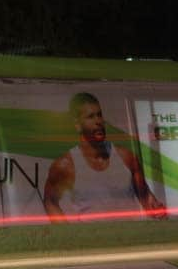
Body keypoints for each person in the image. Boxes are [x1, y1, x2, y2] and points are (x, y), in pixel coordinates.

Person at [44, 92, 166, 221]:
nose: (98, 121)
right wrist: (68, 235)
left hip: (132, 238)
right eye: (91, 117)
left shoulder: (126, 157)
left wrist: (157, 209)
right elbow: (50, 201)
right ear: (77, 124)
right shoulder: (66, 164)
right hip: (93, 239)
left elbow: (145, 195)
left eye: (99, 115)